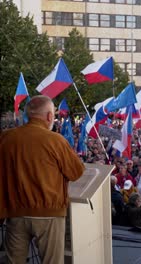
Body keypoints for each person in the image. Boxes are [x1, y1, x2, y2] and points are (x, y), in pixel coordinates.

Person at [0, 95, 85, 264]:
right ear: (49, 116)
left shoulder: (6, 138)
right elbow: (76, 172)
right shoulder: (55, 140)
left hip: (15, 213)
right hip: (49, 214)